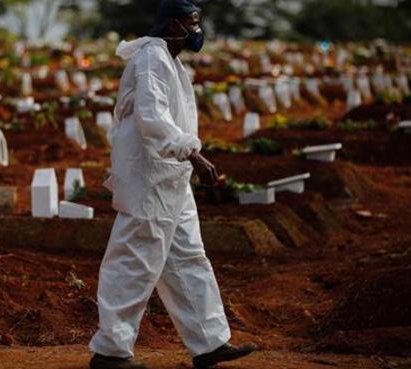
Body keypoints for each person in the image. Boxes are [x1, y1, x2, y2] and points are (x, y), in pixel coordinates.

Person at [88, 1, 258, 368]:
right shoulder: (152, 59)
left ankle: (209, 343)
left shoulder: (171, 61)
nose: (198, 30)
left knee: (188, 258)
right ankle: (110, 351)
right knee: (134, 260)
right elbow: (152, 117)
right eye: (192, 22)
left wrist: (187, 159)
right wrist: (193, 155)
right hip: (150, 179)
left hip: (171, 179)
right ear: (173, 25)